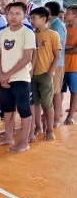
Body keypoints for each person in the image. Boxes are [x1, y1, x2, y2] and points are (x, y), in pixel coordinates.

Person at [0, 2, 36, 153]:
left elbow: (26, 58)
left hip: (21, 78)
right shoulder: (3, 33)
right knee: (7, 108)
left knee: (24, 109)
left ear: (25, 15)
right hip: (4, 78)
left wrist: (7, 75)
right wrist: (1, 75)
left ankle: (24, 142)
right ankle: (9, 137)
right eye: (11, 13)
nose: (13, 16)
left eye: (18, 13)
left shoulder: (27, 32)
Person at [30, 7, 61, 141]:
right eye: (31, 18)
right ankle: (38, 126)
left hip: (45, 74)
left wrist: (50, 73)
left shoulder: (53, 35)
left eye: (34, 18)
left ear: (43, 19)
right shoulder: (30, 34)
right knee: (35, 103)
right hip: (31, 74)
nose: (31, 21)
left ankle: (50, 129)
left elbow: (57, 56)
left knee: (47, 104)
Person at [45, 1, 67, 127]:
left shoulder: (57, 25)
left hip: (57, 63)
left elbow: (56, 48)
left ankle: (56, 118)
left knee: (56, 90)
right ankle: (50, 115)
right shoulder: (53, 23)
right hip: (51, 62)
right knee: (50, 90)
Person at [63, 5, 77, 125]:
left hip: (74, 67)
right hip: (61, 66)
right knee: (58, 90)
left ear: (75, 16)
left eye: (68, 13)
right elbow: (58, 45)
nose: (65, 15)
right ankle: (56, 113)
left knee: (74, 91)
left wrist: (63, 49)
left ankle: (70, 115)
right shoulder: (64, 28)